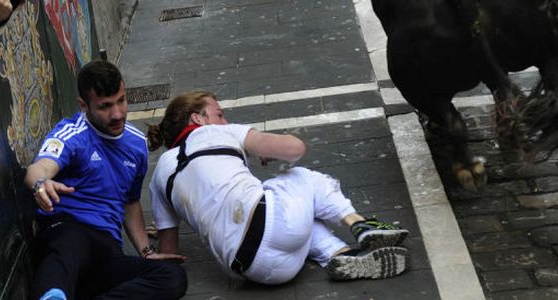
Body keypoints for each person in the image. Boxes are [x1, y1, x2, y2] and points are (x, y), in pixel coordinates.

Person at [146, 90, 410, 285]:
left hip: (256, 270)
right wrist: (262, 147)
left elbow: (170, 253)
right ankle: (360, 224)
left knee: (301, 217)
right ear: (198, 119)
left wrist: (152, 245)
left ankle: (339, 254)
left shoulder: (159, 175)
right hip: (276, 226)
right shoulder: (218, 133)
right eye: (219, 115)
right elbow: (295, 149)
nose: (225, 122)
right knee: (300, 177)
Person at [24, 60, 187, 300]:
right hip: (68, 231)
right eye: (105, 106)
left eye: (121, 100)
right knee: (66, 248)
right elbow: (38, 168)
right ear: (84, 105)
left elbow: (130, 203)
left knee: (172, 277)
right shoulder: (72, 133)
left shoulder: (136, 143)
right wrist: (41, 183)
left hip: (107, 249)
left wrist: (146, 251)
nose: (117, 114)